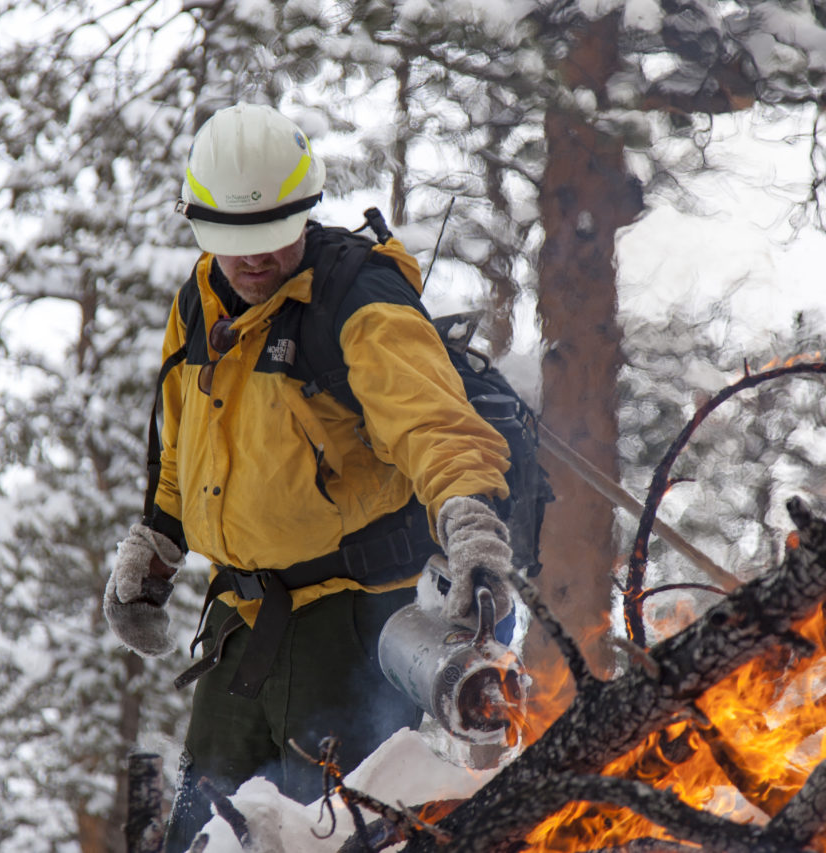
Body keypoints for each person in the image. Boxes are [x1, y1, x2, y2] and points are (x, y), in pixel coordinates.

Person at [102, 102, 516, 851]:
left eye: (270, 239)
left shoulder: (360, 304)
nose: (253, 260)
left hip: (349, 634)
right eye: (234, 243)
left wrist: (472, 525)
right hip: (240, 624)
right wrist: (158, 546)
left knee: (337, 837)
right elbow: (184, 448)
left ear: (306, 210)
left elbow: (436, 428)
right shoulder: (199, 302)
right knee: (203, 837)